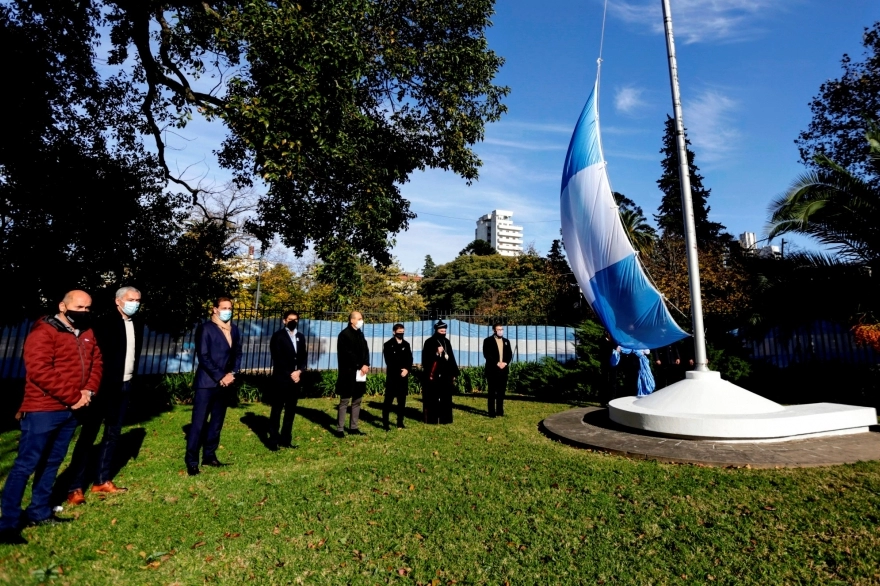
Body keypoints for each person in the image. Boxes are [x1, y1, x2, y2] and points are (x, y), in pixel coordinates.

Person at [0, 290, 102, 545]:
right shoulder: (44, 331)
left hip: (71, 410)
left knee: (53, 462)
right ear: (63, 306)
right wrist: (73, 396)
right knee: (26, 464)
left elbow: (96, 362)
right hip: (43, 409)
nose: (85, 311)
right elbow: (39, 370)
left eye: (88, 308)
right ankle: (8, 523)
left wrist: (88, 391)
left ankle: (39, 511)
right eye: (80, 307)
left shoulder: (88, 331)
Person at [64, 286, 143, 506]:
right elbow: (93, 357)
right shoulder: (104, 323)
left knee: (113, 434)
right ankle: (75, 486)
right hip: (102, 388)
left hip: (125, 386)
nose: (135, 303)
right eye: (131, 299)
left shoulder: (138, 323)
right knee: (88, 436)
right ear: (118, 301)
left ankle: (102, 479)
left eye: (138, 300)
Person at [185, 297, 242, 476]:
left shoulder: (234, 330)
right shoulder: (206, 329)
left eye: (230, 308)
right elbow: (203, 356)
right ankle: (192, 461)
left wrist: (232, 373)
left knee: (216, 423)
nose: (227, 310)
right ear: (215, 309)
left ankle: (209, 455)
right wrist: (220, 376)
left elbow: (238, 353)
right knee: (199, 423)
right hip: (207, 384)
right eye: (224, 308)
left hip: (225, 384)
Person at [267, 310, 307, 450]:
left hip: (295, 380)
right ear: (284, 320)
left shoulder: (300, 337)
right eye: (290, 319)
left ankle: (286, 438)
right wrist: (290, 373)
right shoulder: (278, 336)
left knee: (290, 410)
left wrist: (299, 371)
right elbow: (278, 358)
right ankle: (273, 440)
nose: (293, 322)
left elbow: (303, 357)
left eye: (295, 320)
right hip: (281, 379)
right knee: (277, 410)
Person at [335, 311, 370, 437]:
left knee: (357, 400)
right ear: (352, 320)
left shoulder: (360, 335)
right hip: (348, 372)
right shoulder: (344, 335)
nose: (361, 321)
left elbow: (366, 350)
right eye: (359, 318)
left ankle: (353, 427)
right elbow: (347, 354)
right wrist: (359, 365)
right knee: (344, 400)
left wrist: (366, 364)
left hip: (360, 372)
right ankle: (340, 428)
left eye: (362, 318)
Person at [421, 320, 459, 424]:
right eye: (441, 330)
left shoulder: (447, 342)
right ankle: (431, 419)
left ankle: (445, 419)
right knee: (432, 397)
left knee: (446, 397)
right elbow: (426, 358)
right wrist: (436, 353)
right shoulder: (429, 342)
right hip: (433, 373)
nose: (443, 332)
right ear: (436, 330)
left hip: (446, 373)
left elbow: (451, 357)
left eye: (444, 330)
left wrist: (454, 372)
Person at [382, 323, 412, 430]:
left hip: (403, 377)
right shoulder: (388, 344)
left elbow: (410, 359)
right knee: (388, 402)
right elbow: (389, 361)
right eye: (399, 332)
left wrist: (407, 369)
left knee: (402, 402)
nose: (401, 334)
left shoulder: (407, 345)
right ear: (394, 332)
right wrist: (400, 369)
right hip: (393, 377)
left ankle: (400, 422)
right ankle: (385, 423)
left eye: (402, 332)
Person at [482, 323, 512, 417]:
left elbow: (509, 354)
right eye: (498, 329)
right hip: (492, 369)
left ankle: (500, 411)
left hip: (503, 369)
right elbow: (487, 354)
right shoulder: (488, 341)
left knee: (501, 392)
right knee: (492, 391)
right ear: (494, 330)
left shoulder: (506, 341)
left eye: (501, 329)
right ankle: (491, 412)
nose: (500, 331)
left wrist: (505, 363)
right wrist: (497, 363)